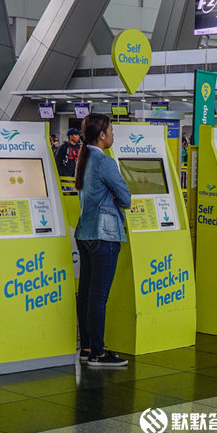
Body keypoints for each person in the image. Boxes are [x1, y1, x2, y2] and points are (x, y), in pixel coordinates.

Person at [74, 113, 131, 367]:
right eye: (111, 130)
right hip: (104, 235)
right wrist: (115, 200)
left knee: (86, 294)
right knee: (99, 297)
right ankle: (99, 353)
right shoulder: (105, 162)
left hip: (84, 233)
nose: (113, 135)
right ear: (102, 135)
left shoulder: (83, 159)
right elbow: (126, 198)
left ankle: (86, 347)